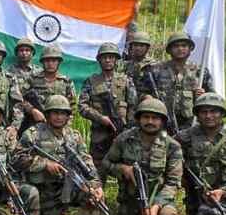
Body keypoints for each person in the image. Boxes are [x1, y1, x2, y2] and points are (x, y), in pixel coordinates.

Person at [13, 95, 103, 215]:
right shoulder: (33, 133)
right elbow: (16, 159)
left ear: (68, 116)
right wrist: (44, 164)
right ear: (47, 114)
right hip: (44, 190)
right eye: (55, 113)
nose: (59, 117)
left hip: (69, 186)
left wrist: (96, 185)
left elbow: (87, 161)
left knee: (95, 201)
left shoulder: (74, 136)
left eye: (63, 113)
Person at [103, 98, 183, 215]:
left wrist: (155, 206)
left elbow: (173, 182)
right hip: (131, 199)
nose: (150, 121)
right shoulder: (124, 139)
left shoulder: (172, 146)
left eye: (155, 118)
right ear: (139, 118)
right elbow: (106, 163)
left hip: (159, 199)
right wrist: (123, 169)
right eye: (146, 117)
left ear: (162, 121)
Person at [78, 42, 137, 183]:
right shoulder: (91, 81)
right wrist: (100, 118)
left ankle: (126, 200)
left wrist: (128, 129)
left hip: (122, 132)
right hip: (100, 134)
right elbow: (82, 107)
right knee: (98, 167)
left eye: (111, 57)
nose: (108, 60)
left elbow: (133, 106)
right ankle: (97, 197)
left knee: (125, 165)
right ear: (99, 60)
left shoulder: (126, 80)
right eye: (104, 57)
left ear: (116, 59)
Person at [144, 31, 214, 133]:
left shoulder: (200, 71)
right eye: (176, 46)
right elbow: (143, 92)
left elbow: (212, 98)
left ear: (190, 49)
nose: (180, 49)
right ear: (169, 50)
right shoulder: (155, 70)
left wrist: (203, 95)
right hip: (161, 121)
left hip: (192, 123)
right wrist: (148, 98)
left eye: (184, 46)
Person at [23, 44, 77, 119]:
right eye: (47, 61)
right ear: (42, 62)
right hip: (36, 122)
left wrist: (67, 123)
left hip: (59, 123)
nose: (50, 64)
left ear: (59, 62)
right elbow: (22, 100)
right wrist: (32, 110)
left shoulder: (66, 82)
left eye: (54, 61)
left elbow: (72, 106)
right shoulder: (32, 79)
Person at [120, 31, 156, 100]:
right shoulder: (124, 65)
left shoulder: (154, 66)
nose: (138, 48)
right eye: (135, 45)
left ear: (147, 48)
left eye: (141, 46)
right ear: (131, 47)